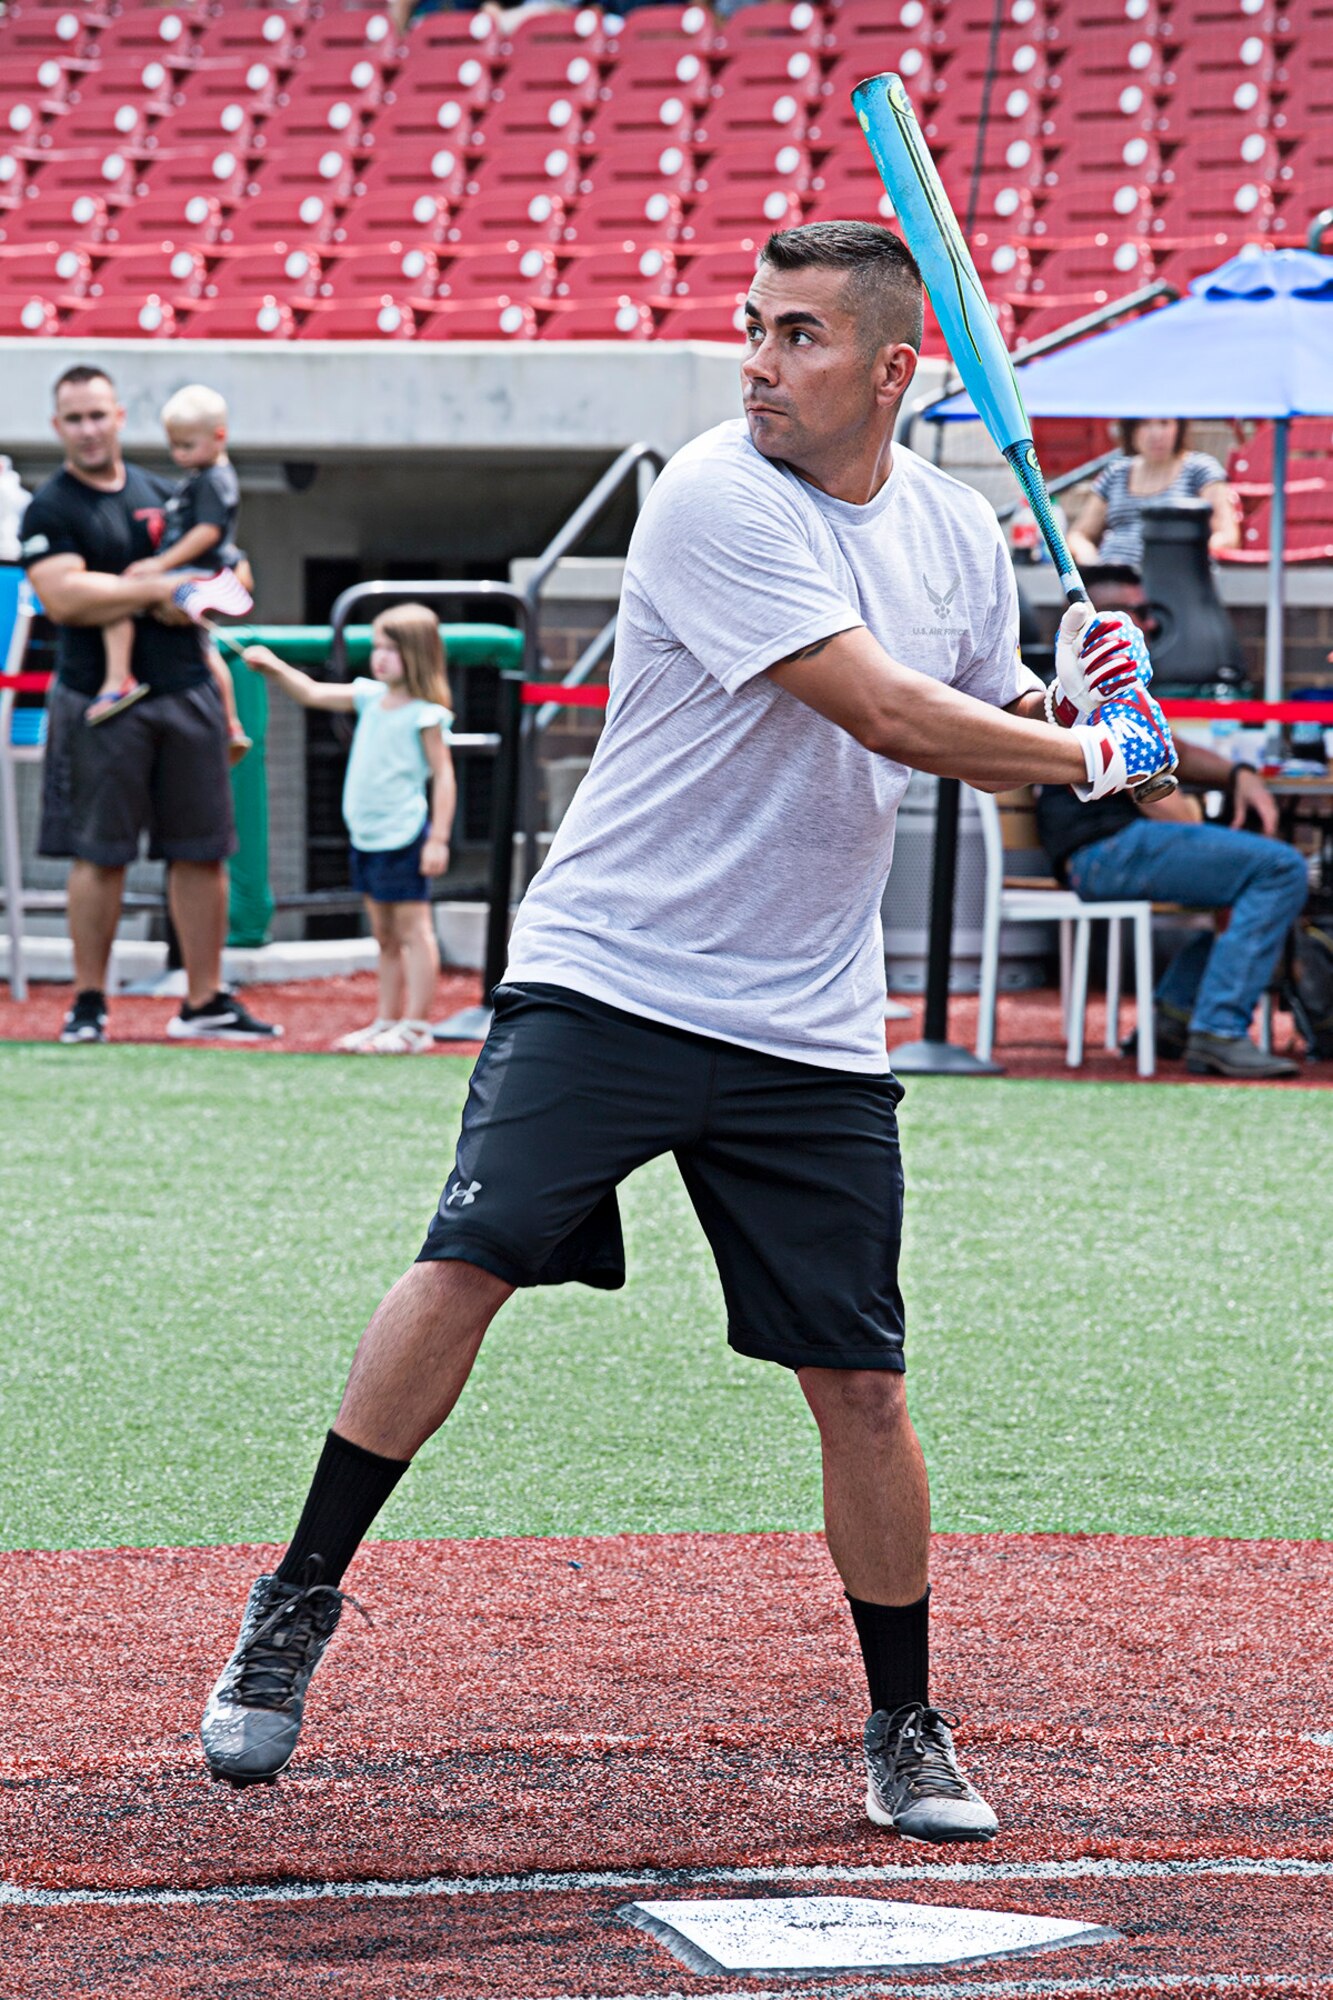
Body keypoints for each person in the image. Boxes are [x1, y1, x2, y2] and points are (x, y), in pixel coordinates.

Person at [197, 222, 1174, 1840]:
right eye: (749, 326)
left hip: (804, 1019)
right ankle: (296, 1600)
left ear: (887, 371)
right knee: (468, 1263)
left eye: (795, 335)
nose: (755, 361)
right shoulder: (718, 494)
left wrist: (1081, 711)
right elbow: (875, 705)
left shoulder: (950, 531)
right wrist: (1084, 757)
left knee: (859, 1381)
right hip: (614, 975)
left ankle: (903, 1722)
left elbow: (983, 730)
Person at [19, 364, 279, 1047]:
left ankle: (204, 1001)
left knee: (203, 852)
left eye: (98, 414)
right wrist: (165, 588)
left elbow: (236, 572)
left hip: (185, 690)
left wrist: (156, 584)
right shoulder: (52, 507)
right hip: (99, 701)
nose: (89, 429)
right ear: (58, 427)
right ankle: (88, 1003)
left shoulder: (171, 489)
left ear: (119, 418)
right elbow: (64, 597)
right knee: (99, 855)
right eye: (74, 418)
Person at [242, 605, 455, 1054]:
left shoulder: (426, 714)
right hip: (367, 836)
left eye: (392, 649)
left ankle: (417, 1025)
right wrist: (275, 666)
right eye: (377, 647)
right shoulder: (367, 696)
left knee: (414, 929)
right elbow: (313, 693)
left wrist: (437, 839)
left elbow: (444, 777)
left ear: (416, 654)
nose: (380, 657)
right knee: (384, 934)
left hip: (404, 835)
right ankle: (386, 1019)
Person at [90, 384, 253, 767]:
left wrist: (159, 566)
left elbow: (208, 533)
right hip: (200, 573)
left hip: (197, 573)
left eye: (187, 446)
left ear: (219, 437)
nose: (179, 455)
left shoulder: (215, 478)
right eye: (174, 446)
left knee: (116, 599)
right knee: (203, 650)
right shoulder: (200, 476)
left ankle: (117, 680)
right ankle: (230, 725)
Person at [1068, 418, 1240, 573]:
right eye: (1145, 424)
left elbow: (1227, 536)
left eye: (1164, 423)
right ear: (1131, 430)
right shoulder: (1116, 472)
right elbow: (1079, 534)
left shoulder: (1201, 469)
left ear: (1178, 428)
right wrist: (1091, 561)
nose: (1156, 434)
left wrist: (1184, 558)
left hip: (1173, 581)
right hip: (1111, 582)